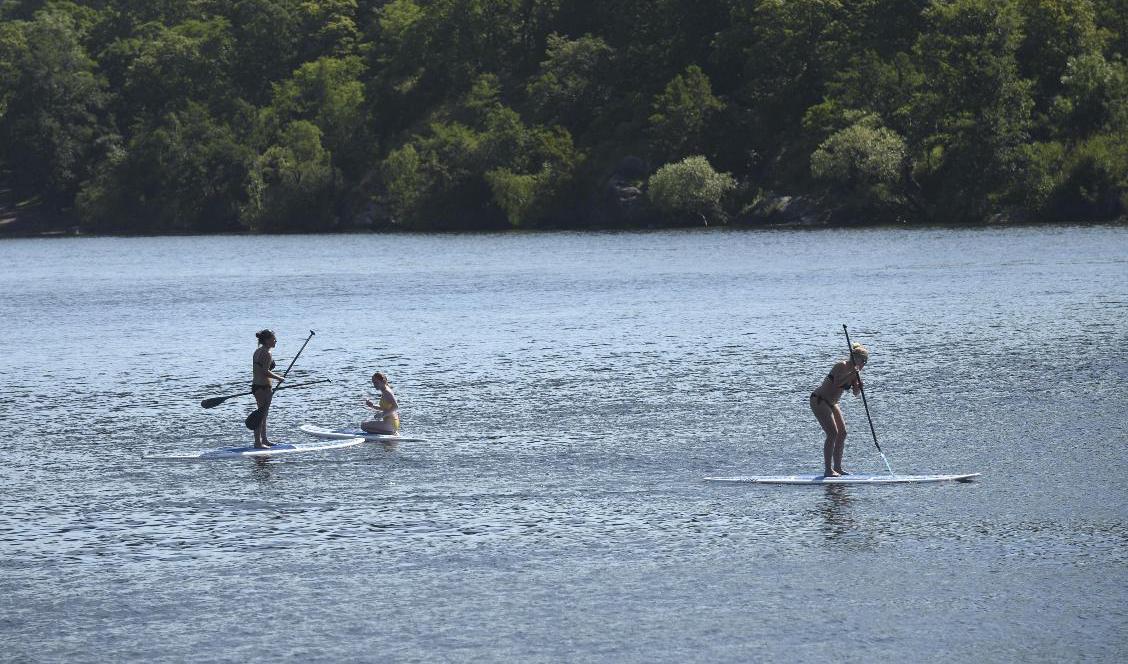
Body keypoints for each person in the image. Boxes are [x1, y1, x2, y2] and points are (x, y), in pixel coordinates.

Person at [810, 342, 868, 477]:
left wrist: (859, 386)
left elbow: (855, 393)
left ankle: (838, 467)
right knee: (832, 433)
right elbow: (837, 382)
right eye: (863, 361)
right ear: (855, 358)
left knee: (843, 433)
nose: (864, 364)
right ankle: (828, 470)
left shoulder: (855, 373)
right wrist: (853, 372)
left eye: (866, 362)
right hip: (819, 400)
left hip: (833, 402)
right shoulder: (841, 366)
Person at [252, 329, 286, 448]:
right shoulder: (267, 353)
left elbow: (260, 371)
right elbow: (265, 372)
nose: (275, 340)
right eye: (273, 338)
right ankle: (258, 442)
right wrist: (279, 378)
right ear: (267, 340)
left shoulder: (257, 351)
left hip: (256, 386)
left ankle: (264, 440)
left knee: (262, 414)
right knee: (261, 415)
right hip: (263, 387)